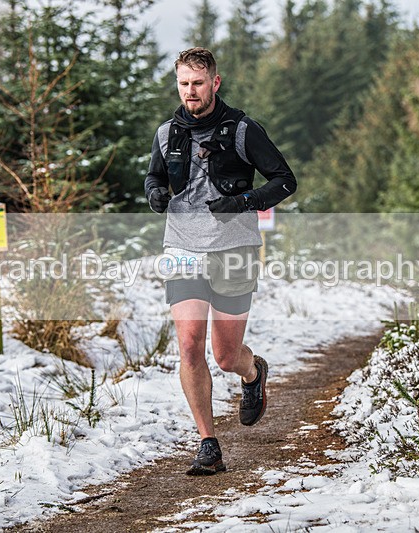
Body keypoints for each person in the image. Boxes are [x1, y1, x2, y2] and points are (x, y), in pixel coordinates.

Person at [145, 47, 296, 475]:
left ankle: (252, 373)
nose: (190, 92)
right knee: (190, 345)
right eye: (183, 84)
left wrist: (244, 201)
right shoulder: (166, 133)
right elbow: (154, 176)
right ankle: (208, 443)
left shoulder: (244, 129)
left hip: (234, 250)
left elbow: (285, 181)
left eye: (198, 83)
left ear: (215, 82)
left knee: (225, 355)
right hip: (182, 248)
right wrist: (154, 194)